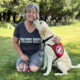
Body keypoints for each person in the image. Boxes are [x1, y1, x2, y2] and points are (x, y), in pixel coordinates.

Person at [13, 4, 61, 72]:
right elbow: (15, 42)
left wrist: (58, 38)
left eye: (33, 12)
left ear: (36, 14)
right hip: (24, 52)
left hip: (36, 52)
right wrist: (22, 55)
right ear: (25, 13)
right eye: (29, 12)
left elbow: (50, 35)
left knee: (33, 69)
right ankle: (25, 61)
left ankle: (31, 61)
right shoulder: (19, 26)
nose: (31, 14)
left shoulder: (40, 26)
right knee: (20, 69)